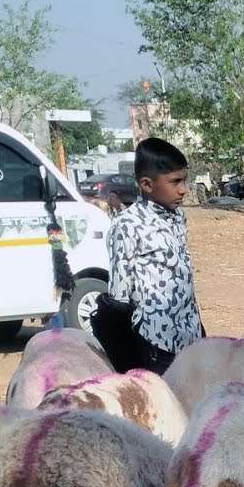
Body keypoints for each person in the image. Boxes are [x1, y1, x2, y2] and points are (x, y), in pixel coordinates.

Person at [98, 137, 204, 375]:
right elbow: (119, 296)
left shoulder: (178, 217)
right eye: (175, 181)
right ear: (147, 185)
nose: (183, 189)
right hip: (156, 342)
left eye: (184, 180)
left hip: (191, 334)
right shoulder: (127, 225)